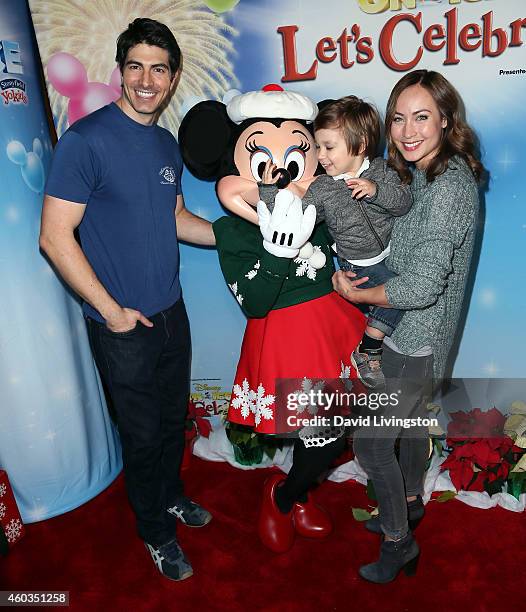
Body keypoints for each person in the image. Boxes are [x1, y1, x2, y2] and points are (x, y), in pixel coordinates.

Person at [39, 18, 215, 582]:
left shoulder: (165, 143)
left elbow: (177, 218)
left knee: (169, 424)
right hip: (123, 326)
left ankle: (170, 498)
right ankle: (156, 533)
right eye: (135, 66)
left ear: (172, 76)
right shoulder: (85, 141)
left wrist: (249, 235)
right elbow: (53, 236)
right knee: (141, 437)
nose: (146, 79)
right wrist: (112, 313)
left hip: (172, 310)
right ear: (120, 72)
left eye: (158, 69)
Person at [178, 85, 366, 553]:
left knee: (335, 431)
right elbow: (256, 302)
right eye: (263, 165)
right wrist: (280, 249)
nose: (280, 176)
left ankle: (294, 493)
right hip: (285, 340)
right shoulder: (233, 230)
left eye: (293, 162)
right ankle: (284, 495)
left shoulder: (320, 206)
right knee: (319, 434)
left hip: (335, 330)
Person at [332, 70, 484, 583]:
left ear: (446, 118)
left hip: (416, 339)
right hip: (406, 333)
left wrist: (358, 293)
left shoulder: (451, 188)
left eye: (421, 116)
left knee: (372, 447)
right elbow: (395, 246)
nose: (406, 130)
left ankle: (400, 545)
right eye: (398, 117)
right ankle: (411, 503)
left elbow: (421, 287)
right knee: (413, 430)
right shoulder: (423, 174)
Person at [259, 95, 412, 389]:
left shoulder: (382, 170)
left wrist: (376, 191)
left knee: (410, 292)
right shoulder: (322, 189)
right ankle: (368, 348)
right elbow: (293, 221)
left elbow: (404, 202)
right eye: (317, 147)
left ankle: (378, 346)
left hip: (394, 255)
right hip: (359, 266)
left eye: (329, 147)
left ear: (361, 143)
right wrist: (268, 192)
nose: (321, 155)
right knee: (398, 295)